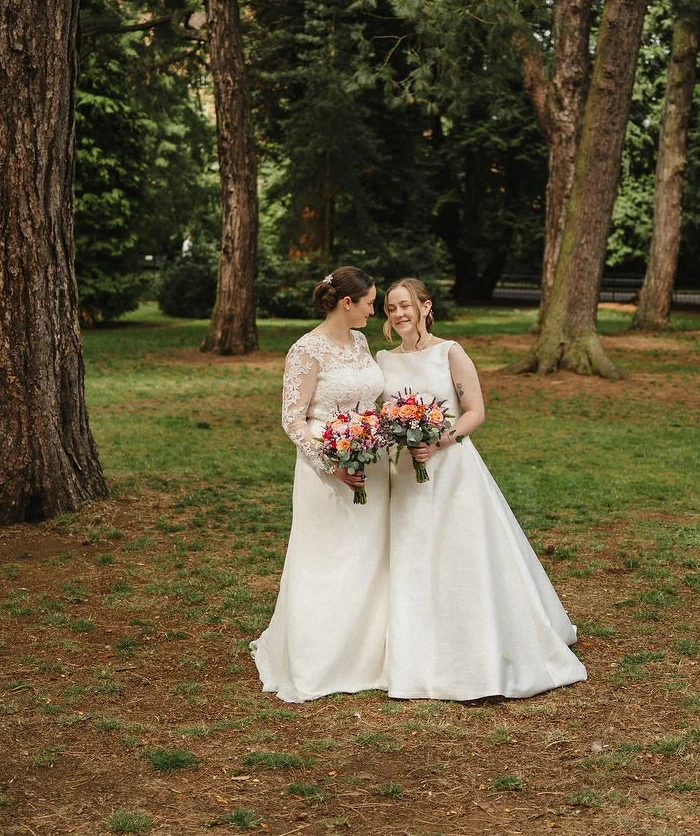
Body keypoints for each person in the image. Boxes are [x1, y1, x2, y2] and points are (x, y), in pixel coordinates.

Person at [376, 277, 586, 700]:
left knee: (462, 555)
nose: (398, 314)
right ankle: (417, 652)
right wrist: (400, 437)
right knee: (413, 556)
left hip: (452, 468)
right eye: (390, 308)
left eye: (405, 305)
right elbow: (381, 412)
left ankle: (482, 646)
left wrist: (440, 439)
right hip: (405, 473)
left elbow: (475, 411)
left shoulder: (450, 352)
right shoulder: (383, 359)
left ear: (424, 306)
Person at [251, 266, 392, 702]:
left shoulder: (362, 341)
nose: (375, 309)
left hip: (371, 462)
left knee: (369, 555)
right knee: (327, 558)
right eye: (369, 302)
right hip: (325, 469)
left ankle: (369, 653)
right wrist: (333, 463)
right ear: (346, 304)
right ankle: (320, 656)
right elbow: (293, 418)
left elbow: (372, 399)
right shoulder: (305, 350)